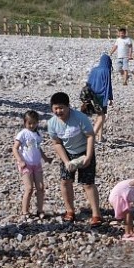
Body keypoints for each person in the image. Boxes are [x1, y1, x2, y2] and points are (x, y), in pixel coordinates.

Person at [46, 91, 102, 226]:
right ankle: (70, 211)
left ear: (68, 106)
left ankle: (96, 214)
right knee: (65, 181)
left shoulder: (80, 118)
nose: (59, 111)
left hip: (84, 151)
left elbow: (90, 136)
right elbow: (57, 143)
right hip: (67, 153)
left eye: (61, 108)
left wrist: (88, 156)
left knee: (88, 183)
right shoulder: (52, 123)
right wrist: (66, 161)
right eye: (56, 108)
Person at [12, 110, 53, 218]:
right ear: (25, 122)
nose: (32, 125)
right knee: (29, 188)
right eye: (29, 123)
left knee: (40, 187)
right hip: (26, 164)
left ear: (37, 123)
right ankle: (25, 211)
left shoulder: (37, 135)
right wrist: (20, 161)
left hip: (37, 164)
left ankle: (40, 210)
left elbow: (38, 149)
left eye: (34, 123)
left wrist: (46, 158)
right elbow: (15, 148)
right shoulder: (23, 133)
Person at [85, 54, 114, 143]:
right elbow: (108, 85)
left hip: (92, 95)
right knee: (102, 116)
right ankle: (92, 136)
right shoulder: (106, 70)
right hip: (101, 96)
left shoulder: (94, 69)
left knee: (98, 115)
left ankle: (100, 137)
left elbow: (88, 82)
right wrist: (110, 98)